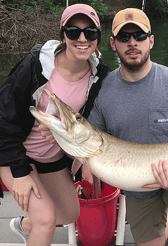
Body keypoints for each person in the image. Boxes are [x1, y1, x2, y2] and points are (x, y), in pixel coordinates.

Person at [39, 8, 168, 246]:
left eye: (139, 36)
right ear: (113, 43)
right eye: (124, 37)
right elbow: (84, 150)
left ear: (150, 41)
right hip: (139, 191)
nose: (132, 43)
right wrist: (58, 136)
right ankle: (167, 216)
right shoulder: (102, 90)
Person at [0, 4, 108, 246]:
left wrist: (85, 159)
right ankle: (37, 223)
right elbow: (3, 117)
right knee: (46, 220)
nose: (82, 38)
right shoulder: (35, 66)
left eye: (90, 33)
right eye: (73, 31)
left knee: (70, 213)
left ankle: (23, 225)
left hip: (52, 158)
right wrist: (18, 173)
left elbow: (94, 122)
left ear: (98, 40)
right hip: (15, 155)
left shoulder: (99, 76)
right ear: (63, 35)